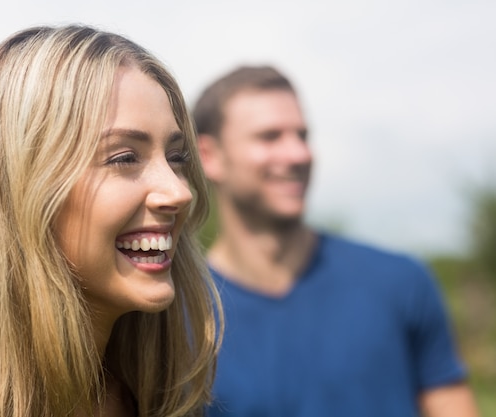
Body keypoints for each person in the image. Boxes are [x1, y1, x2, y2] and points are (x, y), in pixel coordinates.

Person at [0, 25, 222, 417]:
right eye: (125, 158)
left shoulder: (167, 402)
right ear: (19, 187)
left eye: (177, 159)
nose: (179, 192)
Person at [193, 65, 479, 417]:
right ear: (209, 156)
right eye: (270, 136)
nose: (298, 154)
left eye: (302, 135)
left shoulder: (400, 283)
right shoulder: (178, 316)